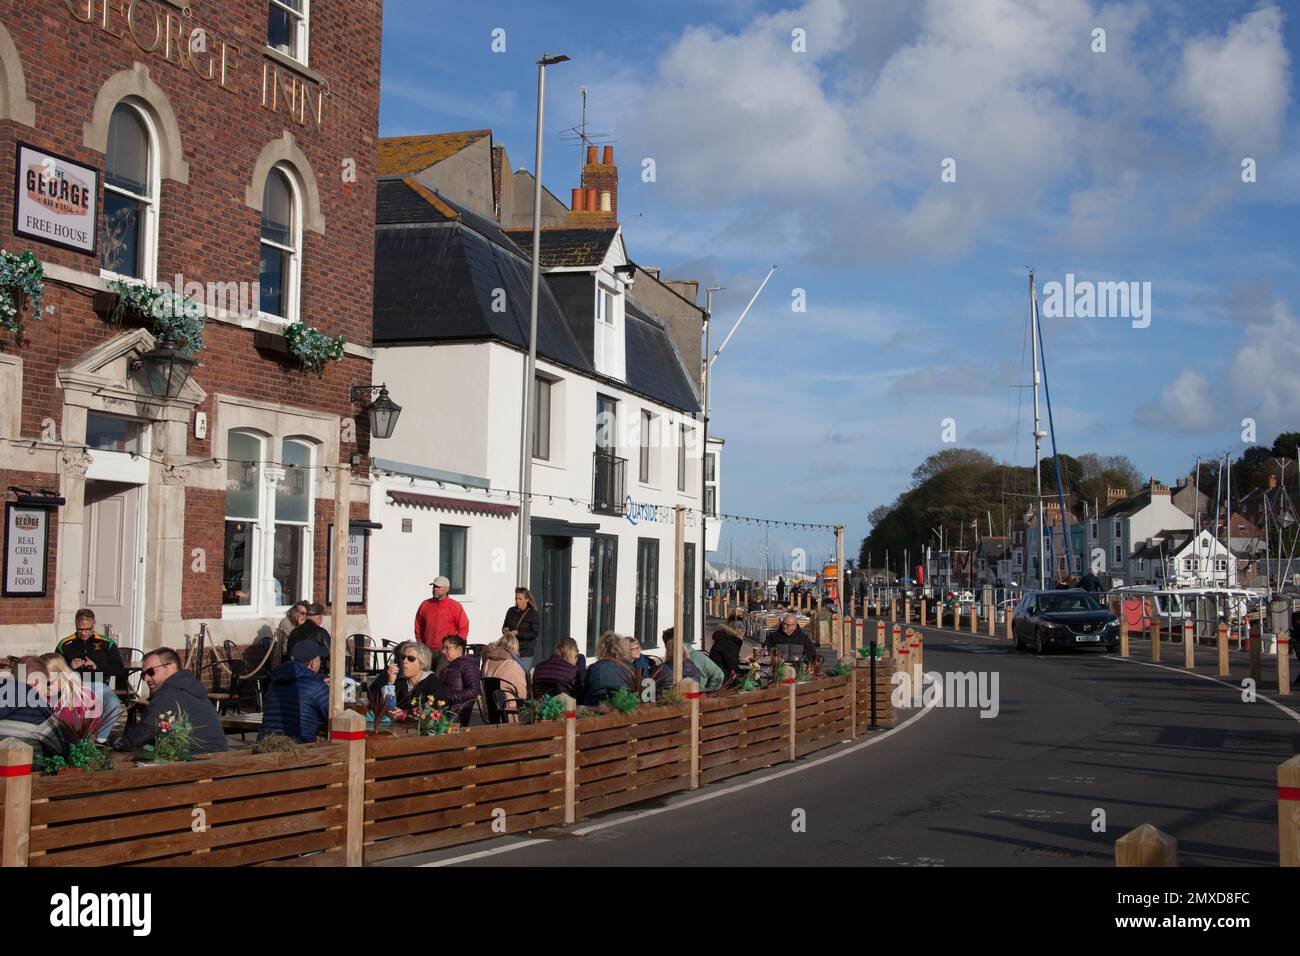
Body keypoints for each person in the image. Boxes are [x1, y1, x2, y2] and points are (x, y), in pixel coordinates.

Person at [114, 647, 228, 754]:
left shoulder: (168, 694)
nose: (146, 679)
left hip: (194, 761)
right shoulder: (190, 687)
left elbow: (147, 729)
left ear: (171, 667)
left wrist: (119, 745)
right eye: (143, 675)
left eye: (150, 672)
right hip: (216, 756)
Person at [259, 640, 331, 743]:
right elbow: (332, 716)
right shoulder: (317, 686)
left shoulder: (274, 682)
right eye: (319, 659)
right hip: (297, 747)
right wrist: (325, 689)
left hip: (266, 744)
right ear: (313, 663)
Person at [39, 653, 120, 743]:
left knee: (112, 702)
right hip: (50, 745)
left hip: (73, 746)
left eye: (48, 683)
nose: (43, 687)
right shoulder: (40, 695)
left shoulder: (82, 699)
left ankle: (102, 739)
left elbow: (86, 732)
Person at [0, 660, 67, 760]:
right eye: (46, 684)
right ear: (36, 682)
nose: (46, 691)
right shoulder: (39, 711)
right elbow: (63, 750)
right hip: (26, 772)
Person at [55, 608, 126, 690]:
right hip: (73, 687)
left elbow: (119, 669)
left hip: (99, 687)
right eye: (79, 629)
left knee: (113, 702)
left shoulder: (107, 643)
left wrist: (97, 666)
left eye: (87, 629)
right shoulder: (64, 644)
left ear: (94, 623)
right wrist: (69, 666)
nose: (83, 633)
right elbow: (53, 669)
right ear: (75, 624)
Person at [370, 641, 445, 714]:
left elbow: (434, 712)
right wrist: (390, 683)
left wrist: (405, 714)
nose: (404, 661)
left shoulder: (433, 683)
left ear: (422, 664)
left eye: (411, 658)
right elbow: (388, 708)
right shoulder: (400, 681)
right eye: (403, 657)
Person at [415, 576, 470, 658]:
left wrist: (454, 647)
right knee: (426, 671)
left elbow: (464, 628)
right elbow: (418, 626)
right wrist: (420, 644)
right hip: (427, 652)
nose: (434, 589)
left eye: (438, 587)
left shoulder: (455, 606)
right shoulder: (425, 605)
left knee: (442, 670)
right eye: (434, 587)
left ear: (446, 589)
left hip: (445, 653)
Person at [480, 633, 528, 722]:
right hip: (509, 713)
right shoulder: (512, 665)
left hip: (489, 712)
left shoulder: (487, 662)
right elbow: (523, 695)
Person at [582, 632, 638, 706]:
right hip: (625, 709)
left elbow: (585, 692)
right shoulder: (630, 667)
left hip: (598, 709)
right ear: (621, 648)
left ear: (601, 649)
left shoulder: (594, 667)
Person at [661, 626, 724, 691]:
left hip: (694, 697)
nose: (666, 647)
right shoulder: (671, 662)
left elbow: (718, 674)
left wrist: (709, 691)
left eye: (666, 644)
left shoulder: (698, 657)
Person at [438, 635, 480, 725]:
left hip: (457, 713)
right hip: (444, 711)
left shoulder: (468, 665)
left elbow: (474, 691)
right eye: (442, 648)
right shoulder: (448, 667)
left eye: (447, 648)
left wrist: (449, 697)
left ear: (459, 649)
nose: (443, 651)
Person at [501, 587, 539, 671]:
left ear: (527, 599)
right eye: (516, 598)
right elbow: (504, 626)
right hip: (510, 649)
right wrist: (505, 631)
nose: (517, 601)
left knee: (521, 672)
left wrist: (518, 633)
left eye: (520, 599)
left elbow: (534, 633)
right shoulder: (511, 611)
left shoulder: (533, 614)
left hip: (525, 651)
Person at [708, 613, 747, 686]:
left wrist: (741, 660)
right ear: (741, 632)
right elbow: (732, 665)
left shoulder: (724, 638)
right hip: (721, 678)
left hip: (717, 673)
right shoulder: (729, 642)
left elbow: (729, 659)